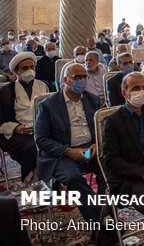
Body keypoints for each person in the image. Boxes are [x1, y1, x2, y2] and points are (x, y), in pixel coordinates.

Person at [102, 72, 144, 246]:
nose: (141, 91)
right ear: (124, 92)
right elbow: (111, 161)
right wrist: (143, 173)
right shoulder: (112, 121)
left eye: (143, 88)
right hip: (129, 177)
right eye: (135, 88)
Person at [35, 63, 106, 225]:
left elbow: (101, 127)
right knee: (73, 178)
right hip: (64, 154)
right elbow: (41, 139)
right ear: (66, 80)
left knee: (109, 170)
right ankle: (101, 222)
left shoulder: (92, 99)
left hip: (89, 149)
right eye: (77, 77)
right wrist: (68, 151)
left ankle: (105, 214)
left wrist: (96, 144)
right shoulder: (48, 105)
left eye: (84, 77)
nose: (82, 80)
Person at [0, 52, 50, 182]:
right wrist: (16, 128)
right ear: (16, 71)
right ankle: (31, 181)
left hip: (43, 129)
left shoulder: (43, 85)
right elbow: (1, 120)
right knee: (32, 147)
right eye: (25, 68)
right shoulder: (6, 91)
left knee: (58, 143)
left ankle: (52, 178)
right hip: (19, 134)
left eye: (31, 67)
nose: (29, 71)